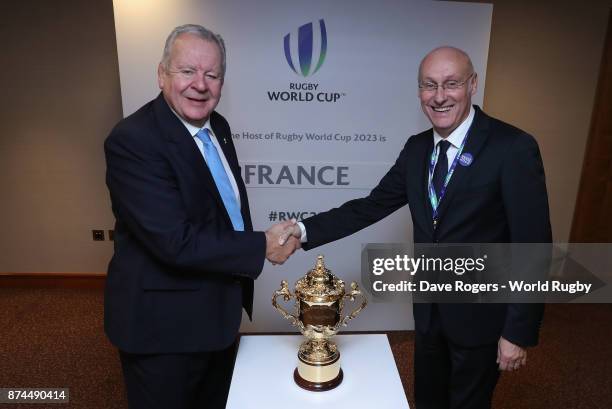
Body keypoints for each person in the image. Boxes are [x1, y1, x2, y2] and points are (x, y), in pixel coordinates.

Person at [281, 46, 551, 408]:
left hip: (482, 319)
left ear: (472, 84)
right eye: (429, 85)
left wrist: (517, 331)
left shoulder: (513, 147)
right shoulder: (418, 149)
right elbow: (370, 207)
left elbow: (533, 245)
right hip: (428, 315)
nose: (439, 96)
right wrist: (302, 230)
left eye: (451, 84)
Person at [104, 24, 299, 409]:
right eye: (187, 71)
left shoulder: (218, 126)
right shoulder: (134, 140)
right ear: (162, 74)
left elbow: (221, 210)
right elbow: (174, 241)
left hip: (216, 314)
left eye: (211, 74)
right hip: (162, 330)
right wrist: (261, 245)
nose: (200, 84)